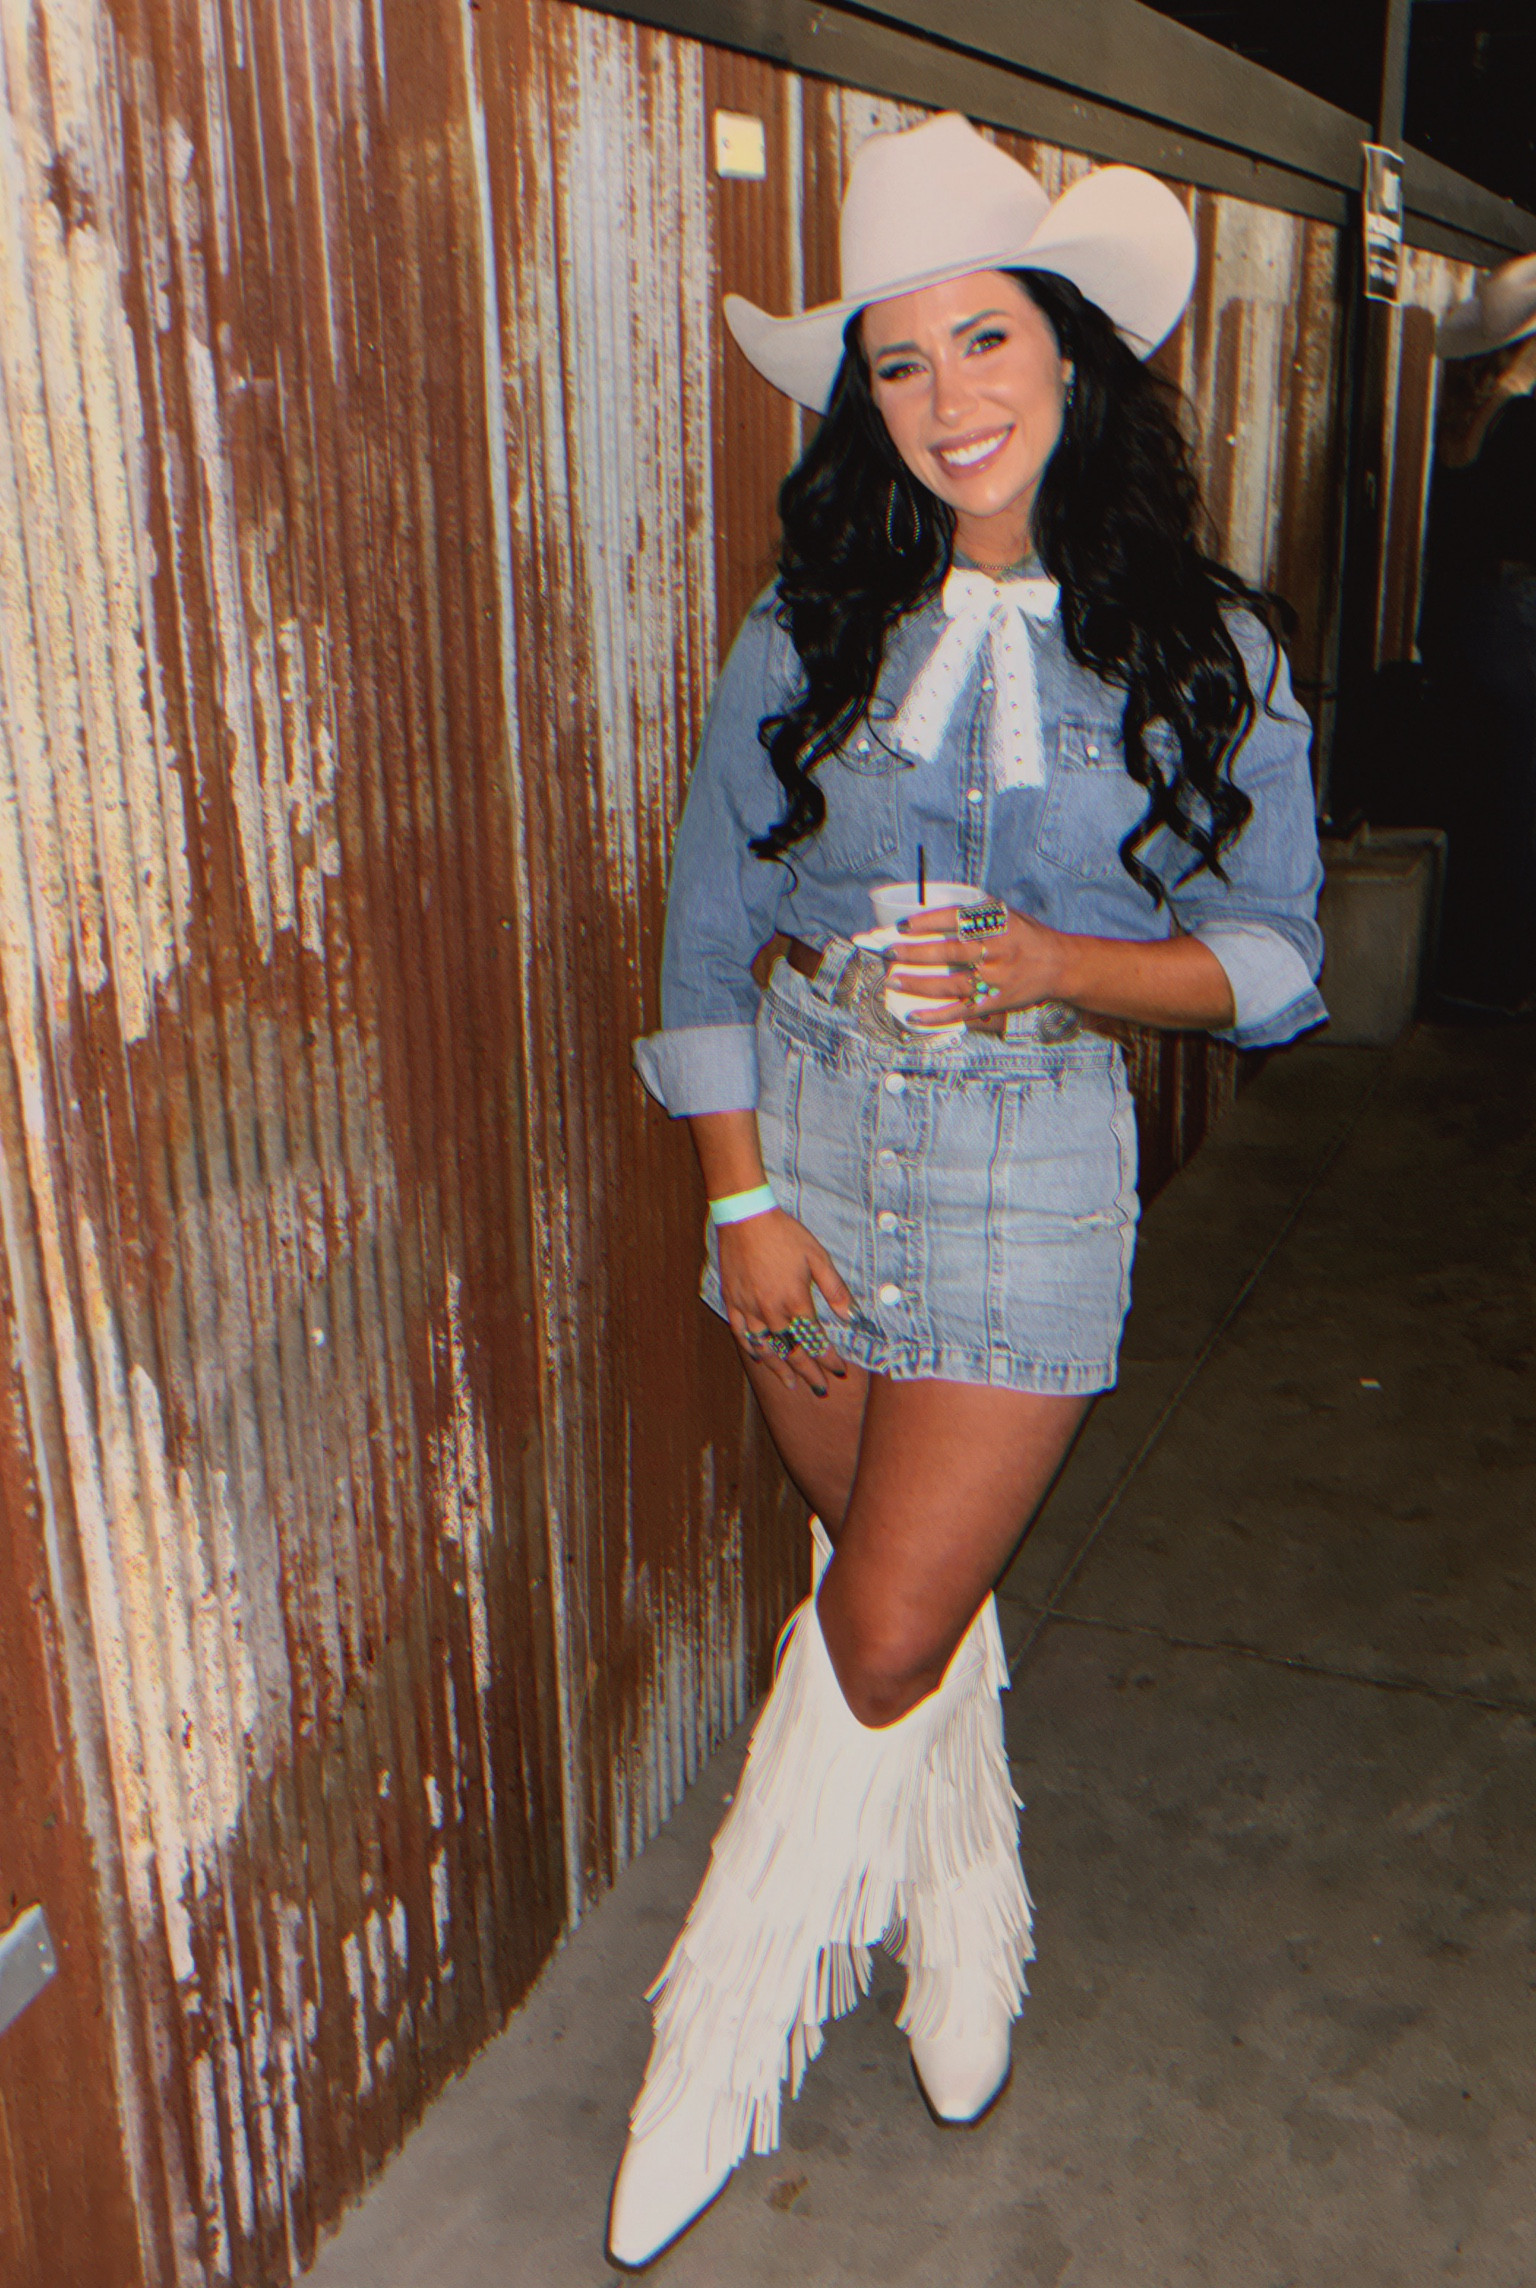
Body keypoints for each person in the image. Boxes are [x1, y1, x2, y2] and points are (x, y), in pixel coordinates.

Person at [615, 112, 1325, 2270]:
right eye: (900, 364)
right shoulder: (809, 616)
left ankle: (710, 2056)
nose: (950, 399)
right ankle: (966, 1941)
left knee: (883, 1617)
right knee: (893, 1590)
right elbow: (705, 919)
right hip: (811, 1136)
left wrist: (1065, 966)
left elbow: (1281, 961)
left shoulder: (1205, 639)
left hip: (1033, 1153)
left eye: (986, 340)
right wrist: (743, 1201)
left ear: (1073, 357)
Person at [1418, 254, 1536, 1012]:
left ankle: (1480, 972)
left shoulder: (1470, 408)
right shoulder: (1525, 416)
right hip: (1517, 614)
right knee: (1520, 796)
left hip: (1471, 617)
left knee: (1491, 792)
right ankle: (1508, 977)